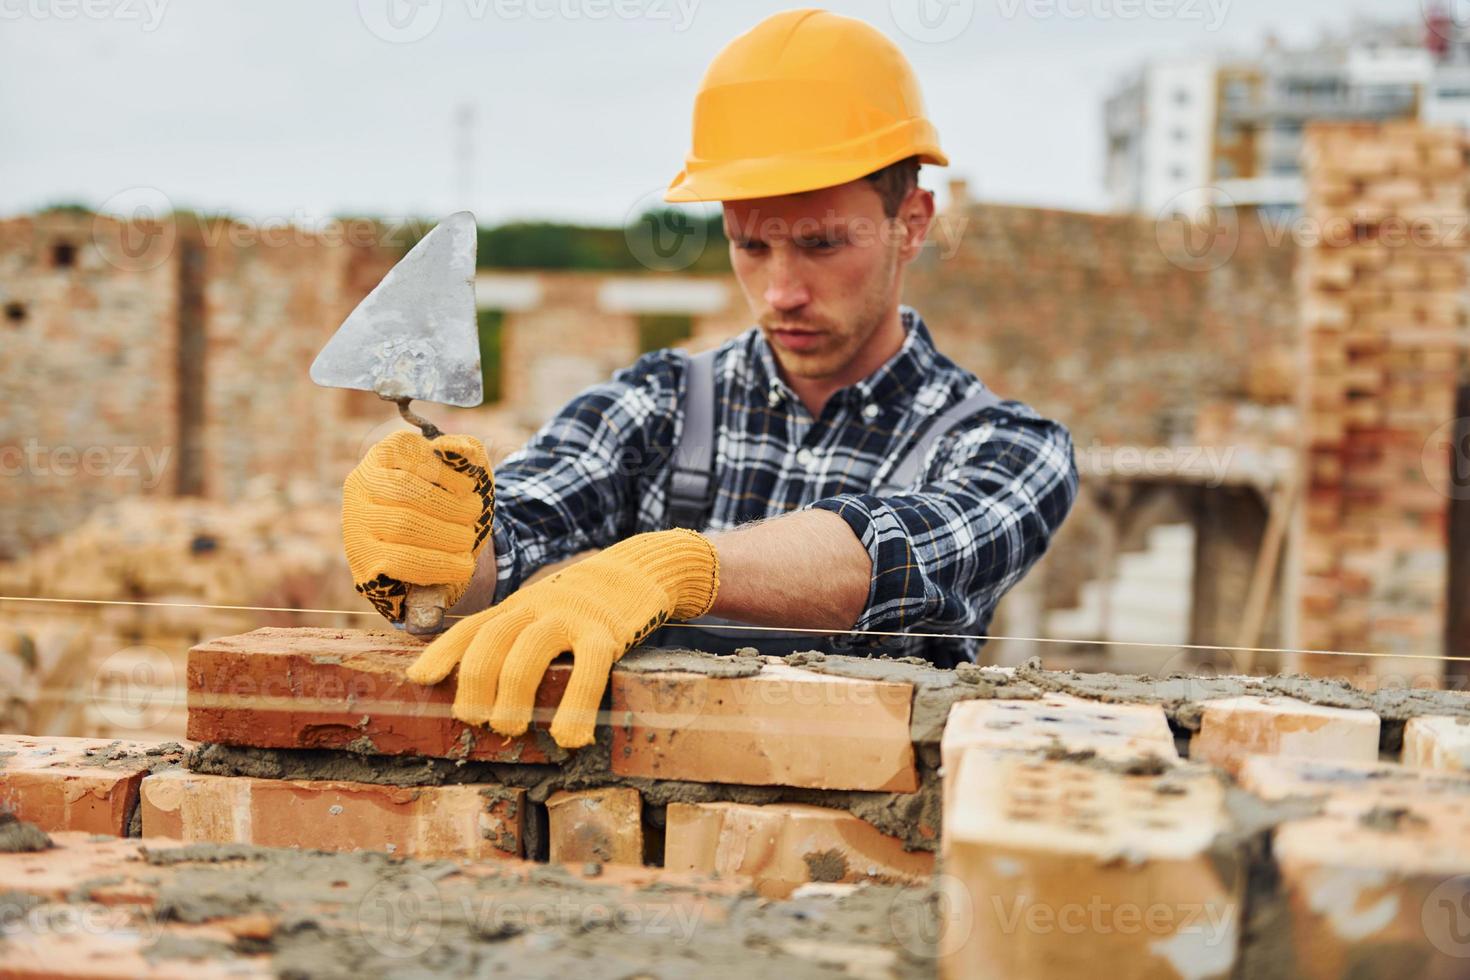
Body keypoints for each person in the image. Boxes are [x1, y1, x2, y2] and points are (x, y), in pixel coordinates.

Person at [341, 8, 1079, 750]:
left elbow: (899, 551)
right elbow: (521, 527)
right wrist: (439, 549)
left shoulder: (1009, 447)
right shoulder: (660, 403)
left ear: (912, 222)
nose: (781, 289)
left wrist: (682, 567)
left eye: (821, 244)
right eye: (750, 244)